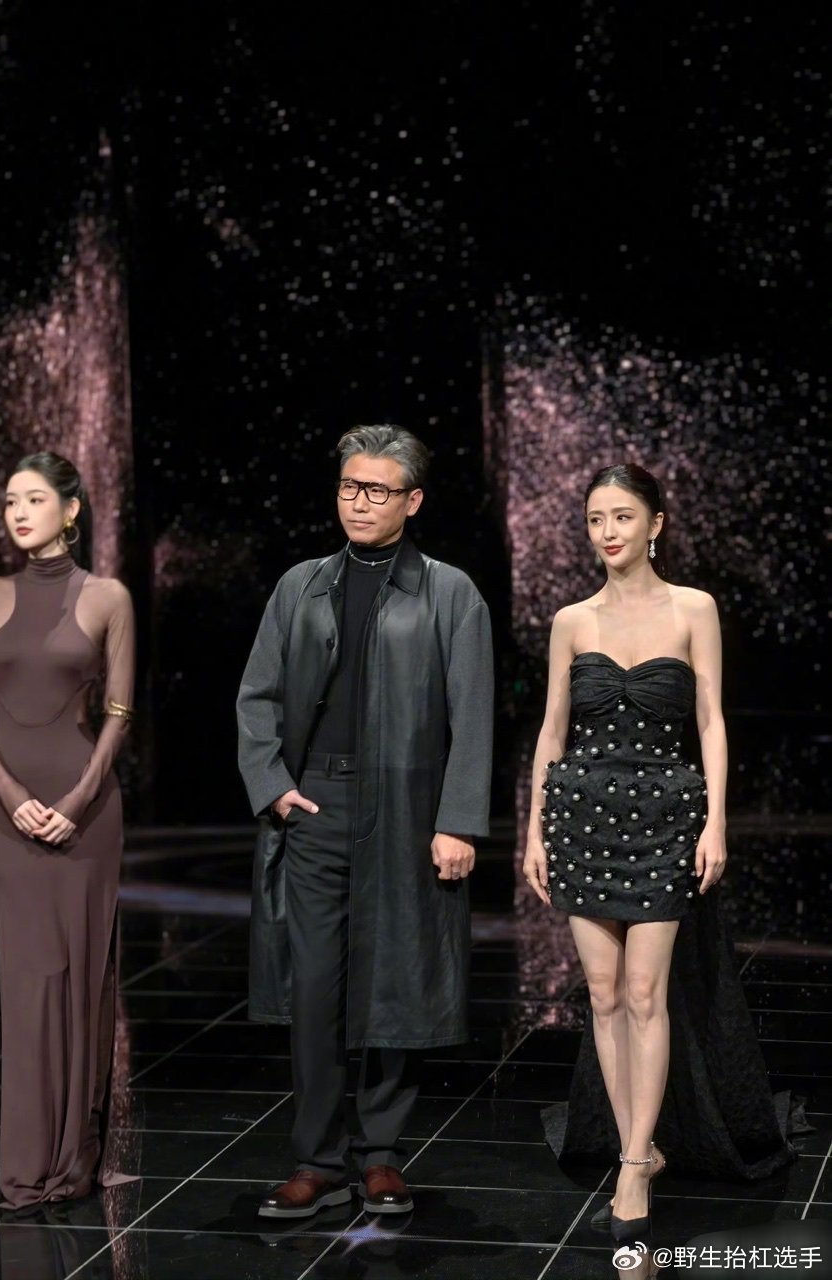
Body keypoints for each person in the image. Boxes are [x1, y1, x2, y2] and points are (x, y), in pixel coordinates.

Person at [522, 463, 793, 1244]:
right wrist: (536, 827)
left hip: (666, 816)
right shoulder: (572, 620)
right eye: (595, 519)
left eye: (621, 516)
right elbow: (552, 728)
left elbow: (711, 721)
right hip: (581, 815)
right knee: (604, 994)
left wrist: (715, 823)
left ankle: (636, 1162)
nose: (607, 531)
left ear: (656, 524)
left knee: (645, 994)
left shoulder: (692, 608)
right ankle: (634, 1145)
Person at [237, 424, 493, 1220]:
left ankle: (381, 1154)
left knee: (395, 980)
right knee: (315, 986)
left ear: (412, 501)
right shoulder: (301, 586)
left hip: (409, 811)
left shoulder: (450, 592)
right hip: (315, 805)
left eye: (378, 490)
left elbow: (473, 717)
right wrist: (274, 786)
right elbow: (257, 696)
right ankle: (318, 1160)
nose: (359, 502)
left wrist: (458, 821)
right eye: (350, 486)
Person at [0, 451, 135, 1210]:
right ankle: (28, 1165)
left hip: (84, 809)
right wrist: (9, 794)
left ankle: (73, 1158)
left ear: (71, 509)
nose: (18, 513)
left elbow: (120, 712)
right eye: (9, 501)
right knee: (31, 977)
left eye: (33, 499)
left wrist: (78, 799)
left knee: (82, 976)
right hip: (7, 808)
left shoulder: (107, 597)